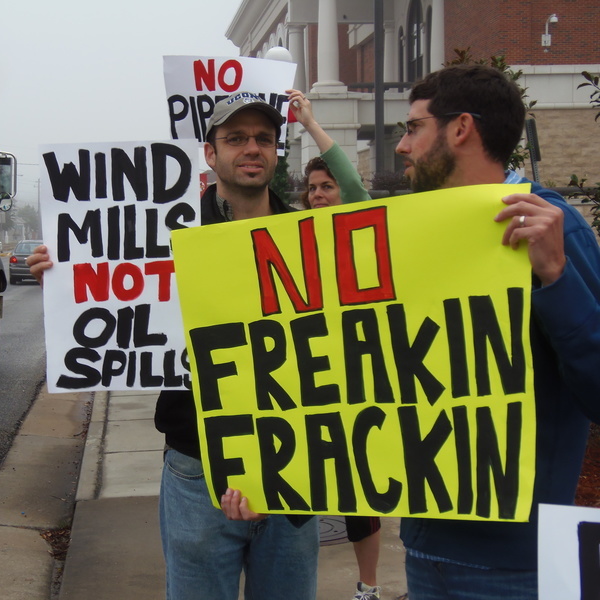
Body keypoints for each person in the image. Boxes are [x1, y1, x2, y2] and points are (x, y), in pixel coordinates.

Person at [29, 92, 320, 600]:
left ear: (276, 152)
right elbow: (114, 278)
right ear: (210, 154)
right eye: (236, 139)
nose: (251, 149)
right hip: (197, 465)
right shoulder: (160, 231)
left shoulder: (312, 237)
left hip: (291, 463)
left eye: (263, 139)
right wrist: (66, 274)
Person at [392, 64, 600, 599]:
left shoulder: (552, 227)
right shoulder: (417, 232)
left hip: (513, 566)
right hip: (424, 549)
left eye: (413, 128)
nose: (402, 146)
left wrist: (555, 278)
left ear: (461, 129)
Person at [287, 88, 383, 600]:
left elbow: (354, 183)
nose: (320, 194)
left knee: (359, 500)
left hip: (356, 379)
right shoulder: (291, 235)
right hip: (305, 380)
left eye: (328, 187)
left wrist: (310, 123)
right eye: (313, 188)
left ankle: (367, 587)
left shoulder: (359, 231)